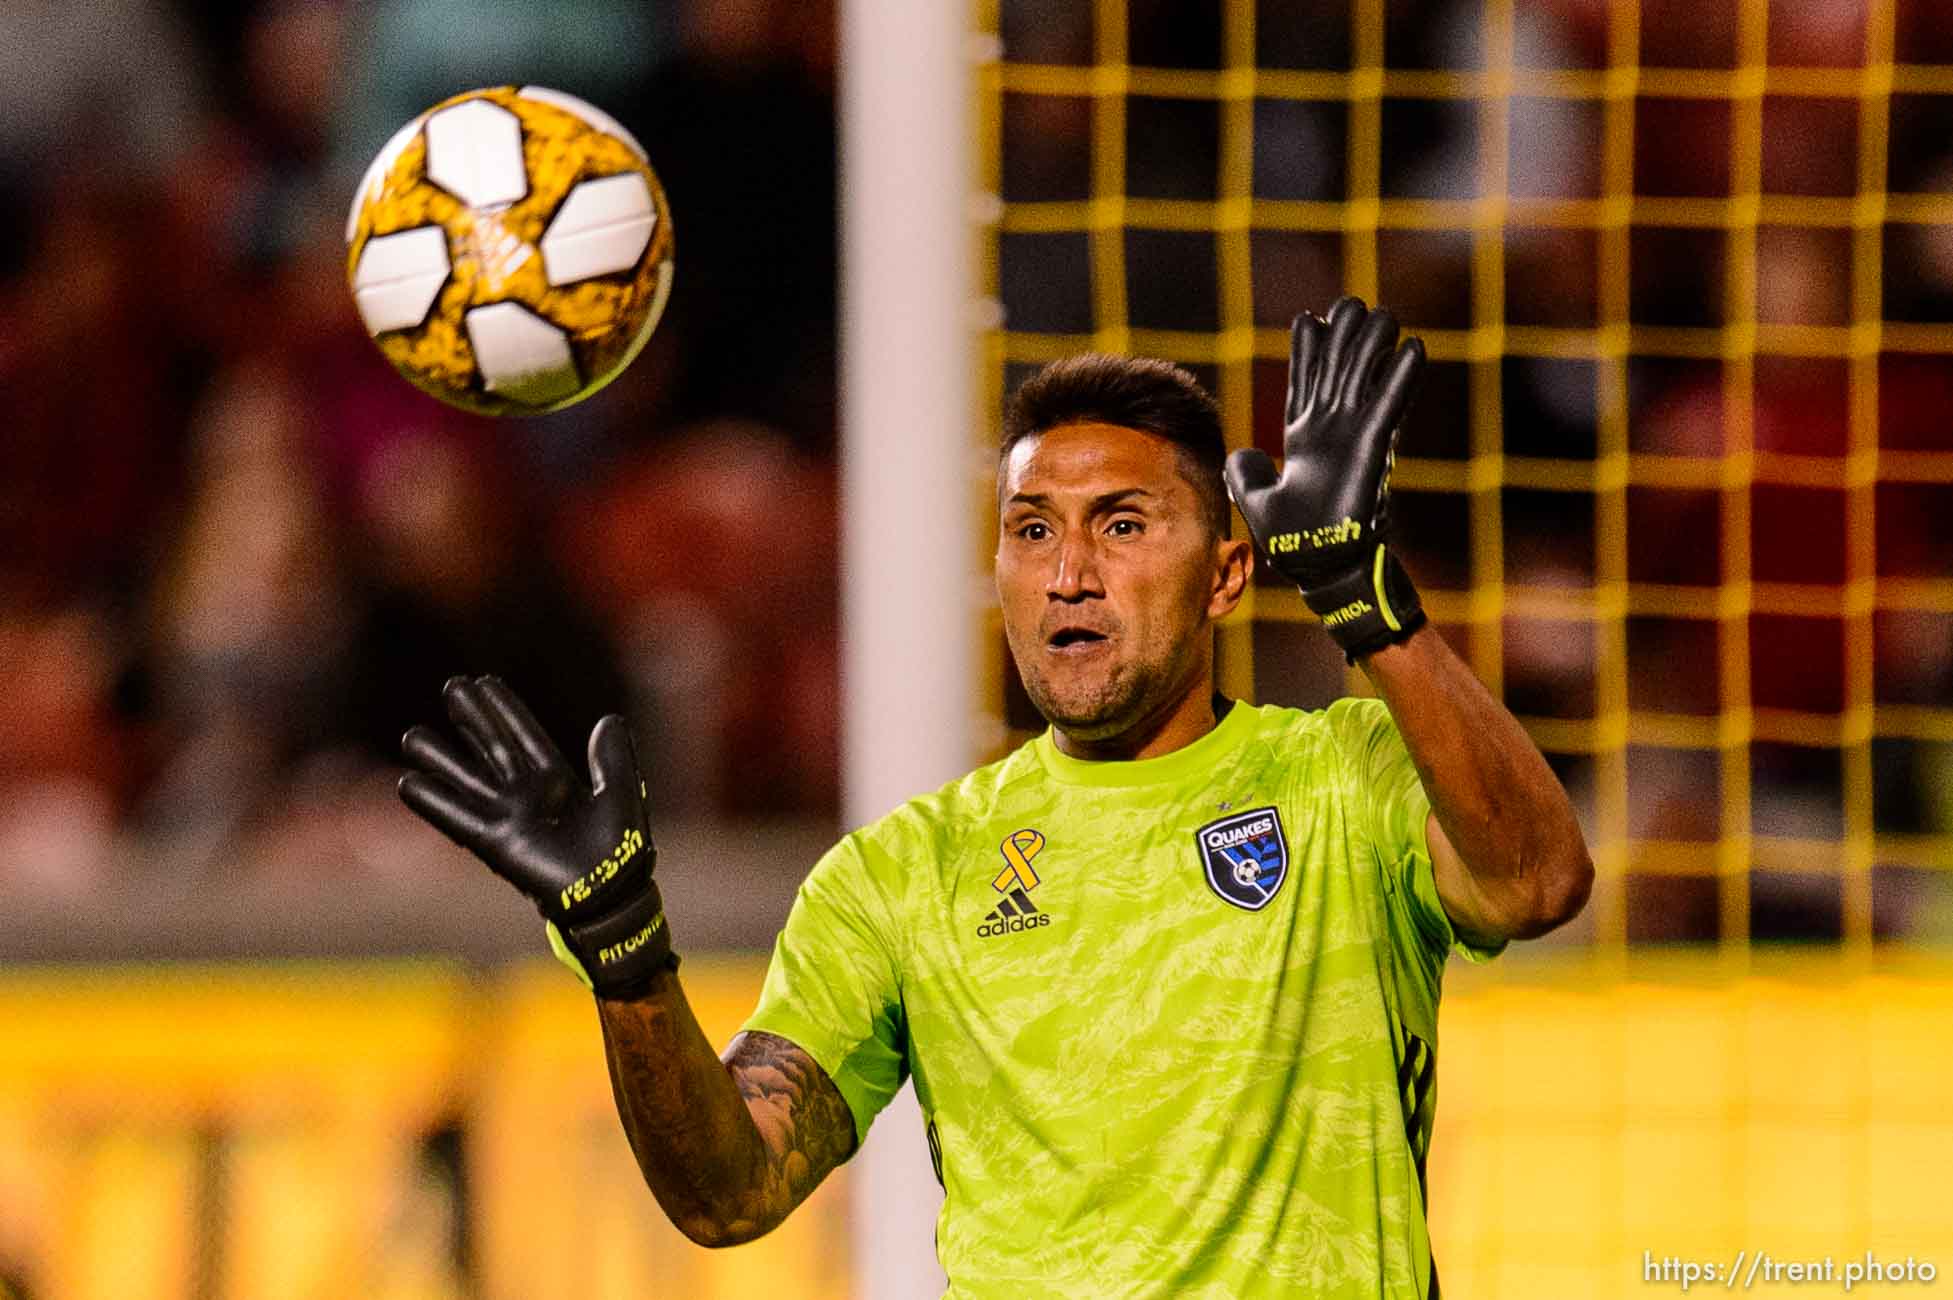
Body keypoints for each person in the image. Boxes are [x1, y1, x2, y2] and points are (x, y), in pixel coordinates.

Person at [397, 296, 1592, 1297]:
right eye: (1033, 529)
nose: (1070, 572)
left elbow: (1538, 880)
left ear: (1228, 573)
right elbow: (730, 1192)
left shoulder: (1343, 773)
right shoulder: (905, 871)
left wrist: (1363, 600)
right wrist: (626, 959)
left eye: (1122, 525)